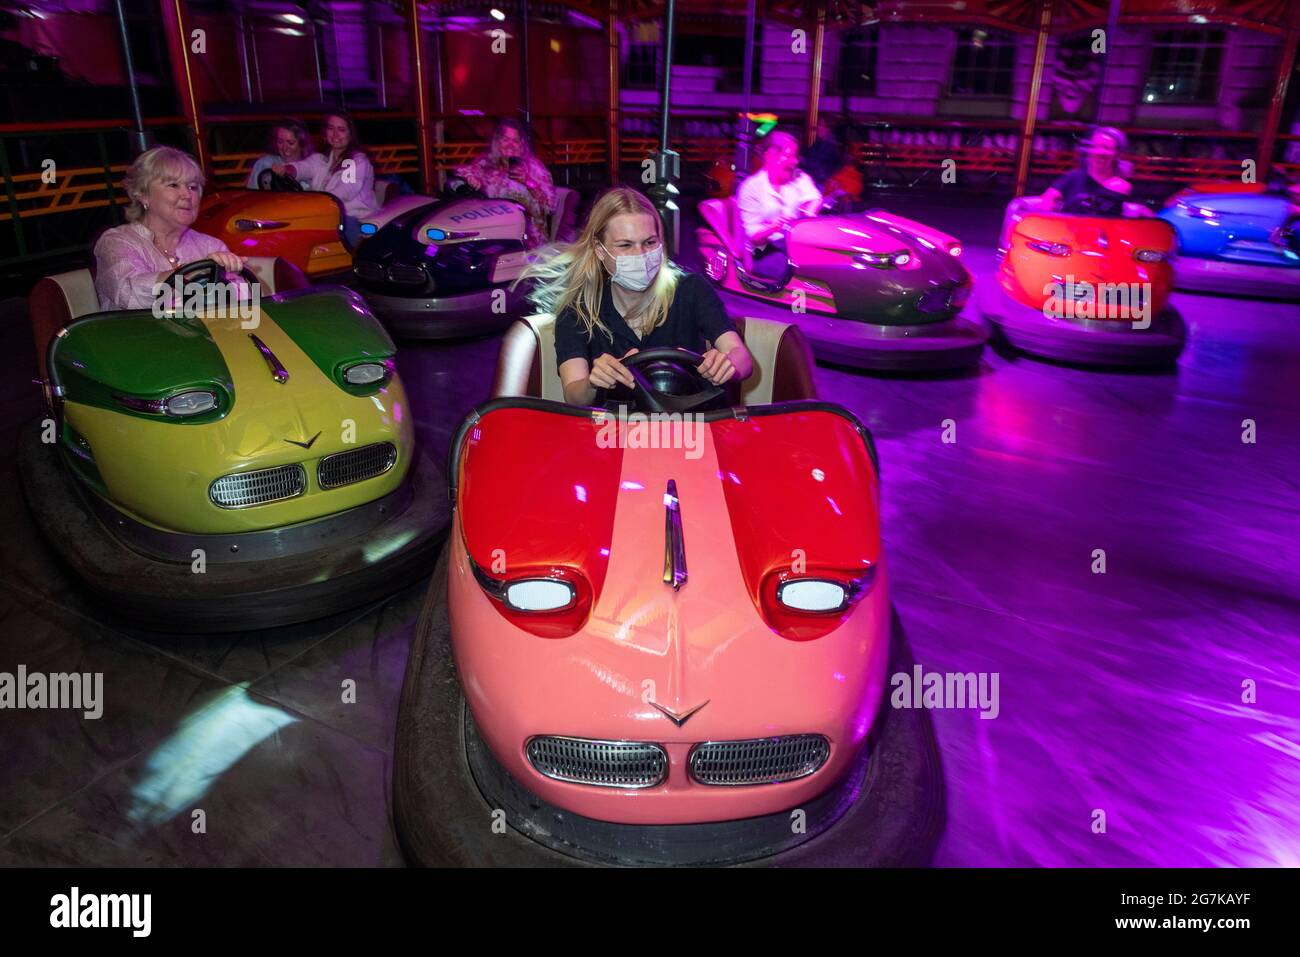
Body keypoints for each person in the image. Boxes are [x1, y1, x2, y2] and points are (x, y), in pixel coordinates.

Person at [518, 185, 753, 407]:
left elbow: (742, 357)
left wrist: (726, 364)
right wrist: (594, 381)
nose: (640, 254)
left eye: (650, 242)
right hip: (614, 433)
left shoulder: (690, 289)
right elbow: (574, 394)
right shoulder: (578, 309)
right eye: (625, 245)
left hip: (694, 426)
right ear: (601, 250)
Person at [93, 146, 246, 311]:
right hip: (134, 334)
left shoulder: (211, 245)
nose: (187, 195)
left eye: (193, 187)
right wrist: (195, 272)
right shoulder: (115, 242)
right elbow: (128, 294)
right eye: (173, 185)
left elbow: (243, 303)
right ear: (143, 194)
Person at [276, 113, 377, 245]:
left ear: (351, 134)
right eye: (331, 128)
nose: (335, 135)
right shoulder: (321, 158)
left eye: (341, 130)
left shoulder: (356, 160)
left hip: (354, 218)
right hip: (325, 215)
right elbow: (304, 167)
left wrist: (315, 204)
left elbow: (346, 190)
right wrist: (289, 170)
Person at [455, 118, 556, 248]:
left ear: (521, 144)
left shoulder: (535, 168)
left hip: (530, 239)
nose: (510, 145)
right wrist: (471, 178)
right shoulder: (487, 165)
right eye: (505, 139)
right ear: (497, 142)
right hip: (497, 236)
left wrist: (529, 183)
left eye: (515, 141)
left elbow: (551, 207)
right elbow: (460, 173)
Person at [737, 130, 823, 282]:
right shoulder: (751, 187)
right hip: (763, 250)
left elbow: (814, 198)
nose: (795, 162)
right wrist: (774, 226)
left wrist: (808, 215)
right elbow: (753, 237)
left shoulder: (799, 177)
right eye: (789, 156)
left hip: (795, 244)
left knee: (824, 263)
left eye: (795, 157)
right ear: (770, 156)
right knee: (800, 273)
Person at [1038, 126, 1134, 218]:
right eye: (1095, 146)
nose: (1099, 152)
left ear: (1118, 155)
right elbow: (1049, 198)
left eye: (1107, 148)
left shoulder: (1121, 186)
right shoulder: (1073, 177)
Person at [246, 119, 313, 189]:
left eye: (290, 143)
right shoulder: (265, 163)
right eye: (280, 142)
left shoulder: (312, 167)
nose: (284, 148)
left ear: (302, 144)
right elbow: (251, 194)